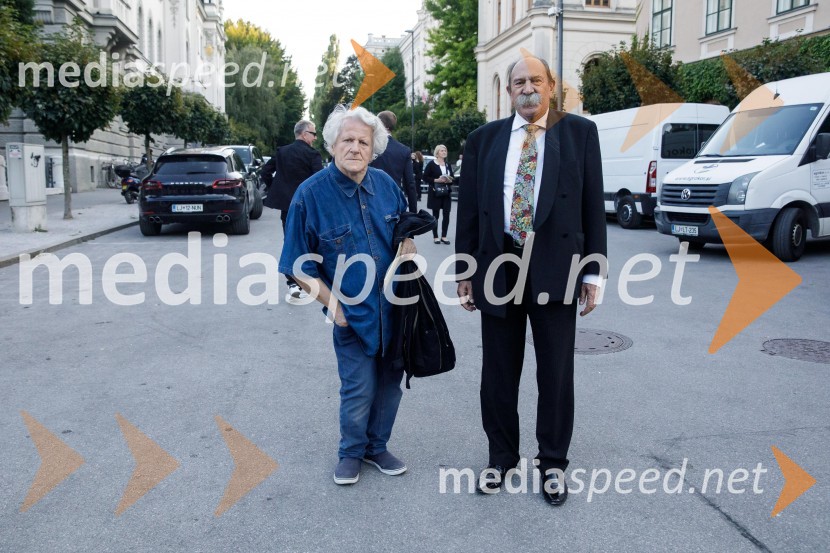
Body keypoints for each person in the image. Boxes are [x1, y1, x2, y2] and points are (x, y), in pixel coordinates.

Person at [455, 55, 607, 506]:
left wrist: (593, 272)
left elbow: (592, 207)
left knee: (556, 374)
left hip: (557, 266)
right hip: (498, 267)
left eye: (535, 81)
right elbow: (468, 210)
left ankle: (553, 464)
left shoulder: (580, 134)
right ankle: (501, 458)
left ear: (551, 85)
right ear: (508, 91)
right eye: (518, 82)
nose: (527, 88)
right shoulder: (483, 140)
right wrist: (465, 270)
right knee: (498, 373)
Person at [278, 105, 417, 486]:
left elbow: (403, 232)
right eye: (347, 140)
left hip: (395, 309)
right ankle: (351, 452)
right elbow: (295, 265)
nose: (355, 147)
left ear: (374, 149)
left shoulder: (387, 186)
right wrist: (334, 306)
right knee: (359, 388)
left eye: (363, 141)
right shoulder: (311, 195)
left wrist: (408, 244)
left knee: (391, 383)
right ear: (332, 144)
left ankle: (377, 447)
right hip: (351, 315)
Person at [262, 120, 323, 303]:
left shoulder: (282, 152)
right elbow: (319, 181)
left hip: (287, 206)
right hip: (307, 205)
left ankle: (292, 282)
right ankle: (308, 277)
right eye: (313, 134)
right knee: (310, 240)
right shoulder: (313, 155)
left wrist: (276, 189)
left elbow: (265, 172)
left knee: (289, 239)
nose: (314, 137)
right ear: (304, 134)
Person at [369, 111, 418, 213]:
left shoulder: (369, 146)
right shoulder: (404, 150)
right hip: (394, 202)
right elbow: (410, 184)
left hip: (371, 202)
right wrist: (413, 213)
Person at [424, 144, 455, 244]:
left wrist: (448, 180)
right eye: (442, 150)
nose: (444, 152)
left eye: (445, 150)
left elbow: (452, 178)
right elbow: (425, 177)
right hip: (435, 193)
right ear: (437, 153)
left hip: (446, 193)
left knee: (446, 214)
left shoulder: (448, 165)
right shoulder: (431, 164)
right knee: (435, 215)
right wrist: (436, 180)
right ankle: (436, 236)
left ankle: (444, 236)